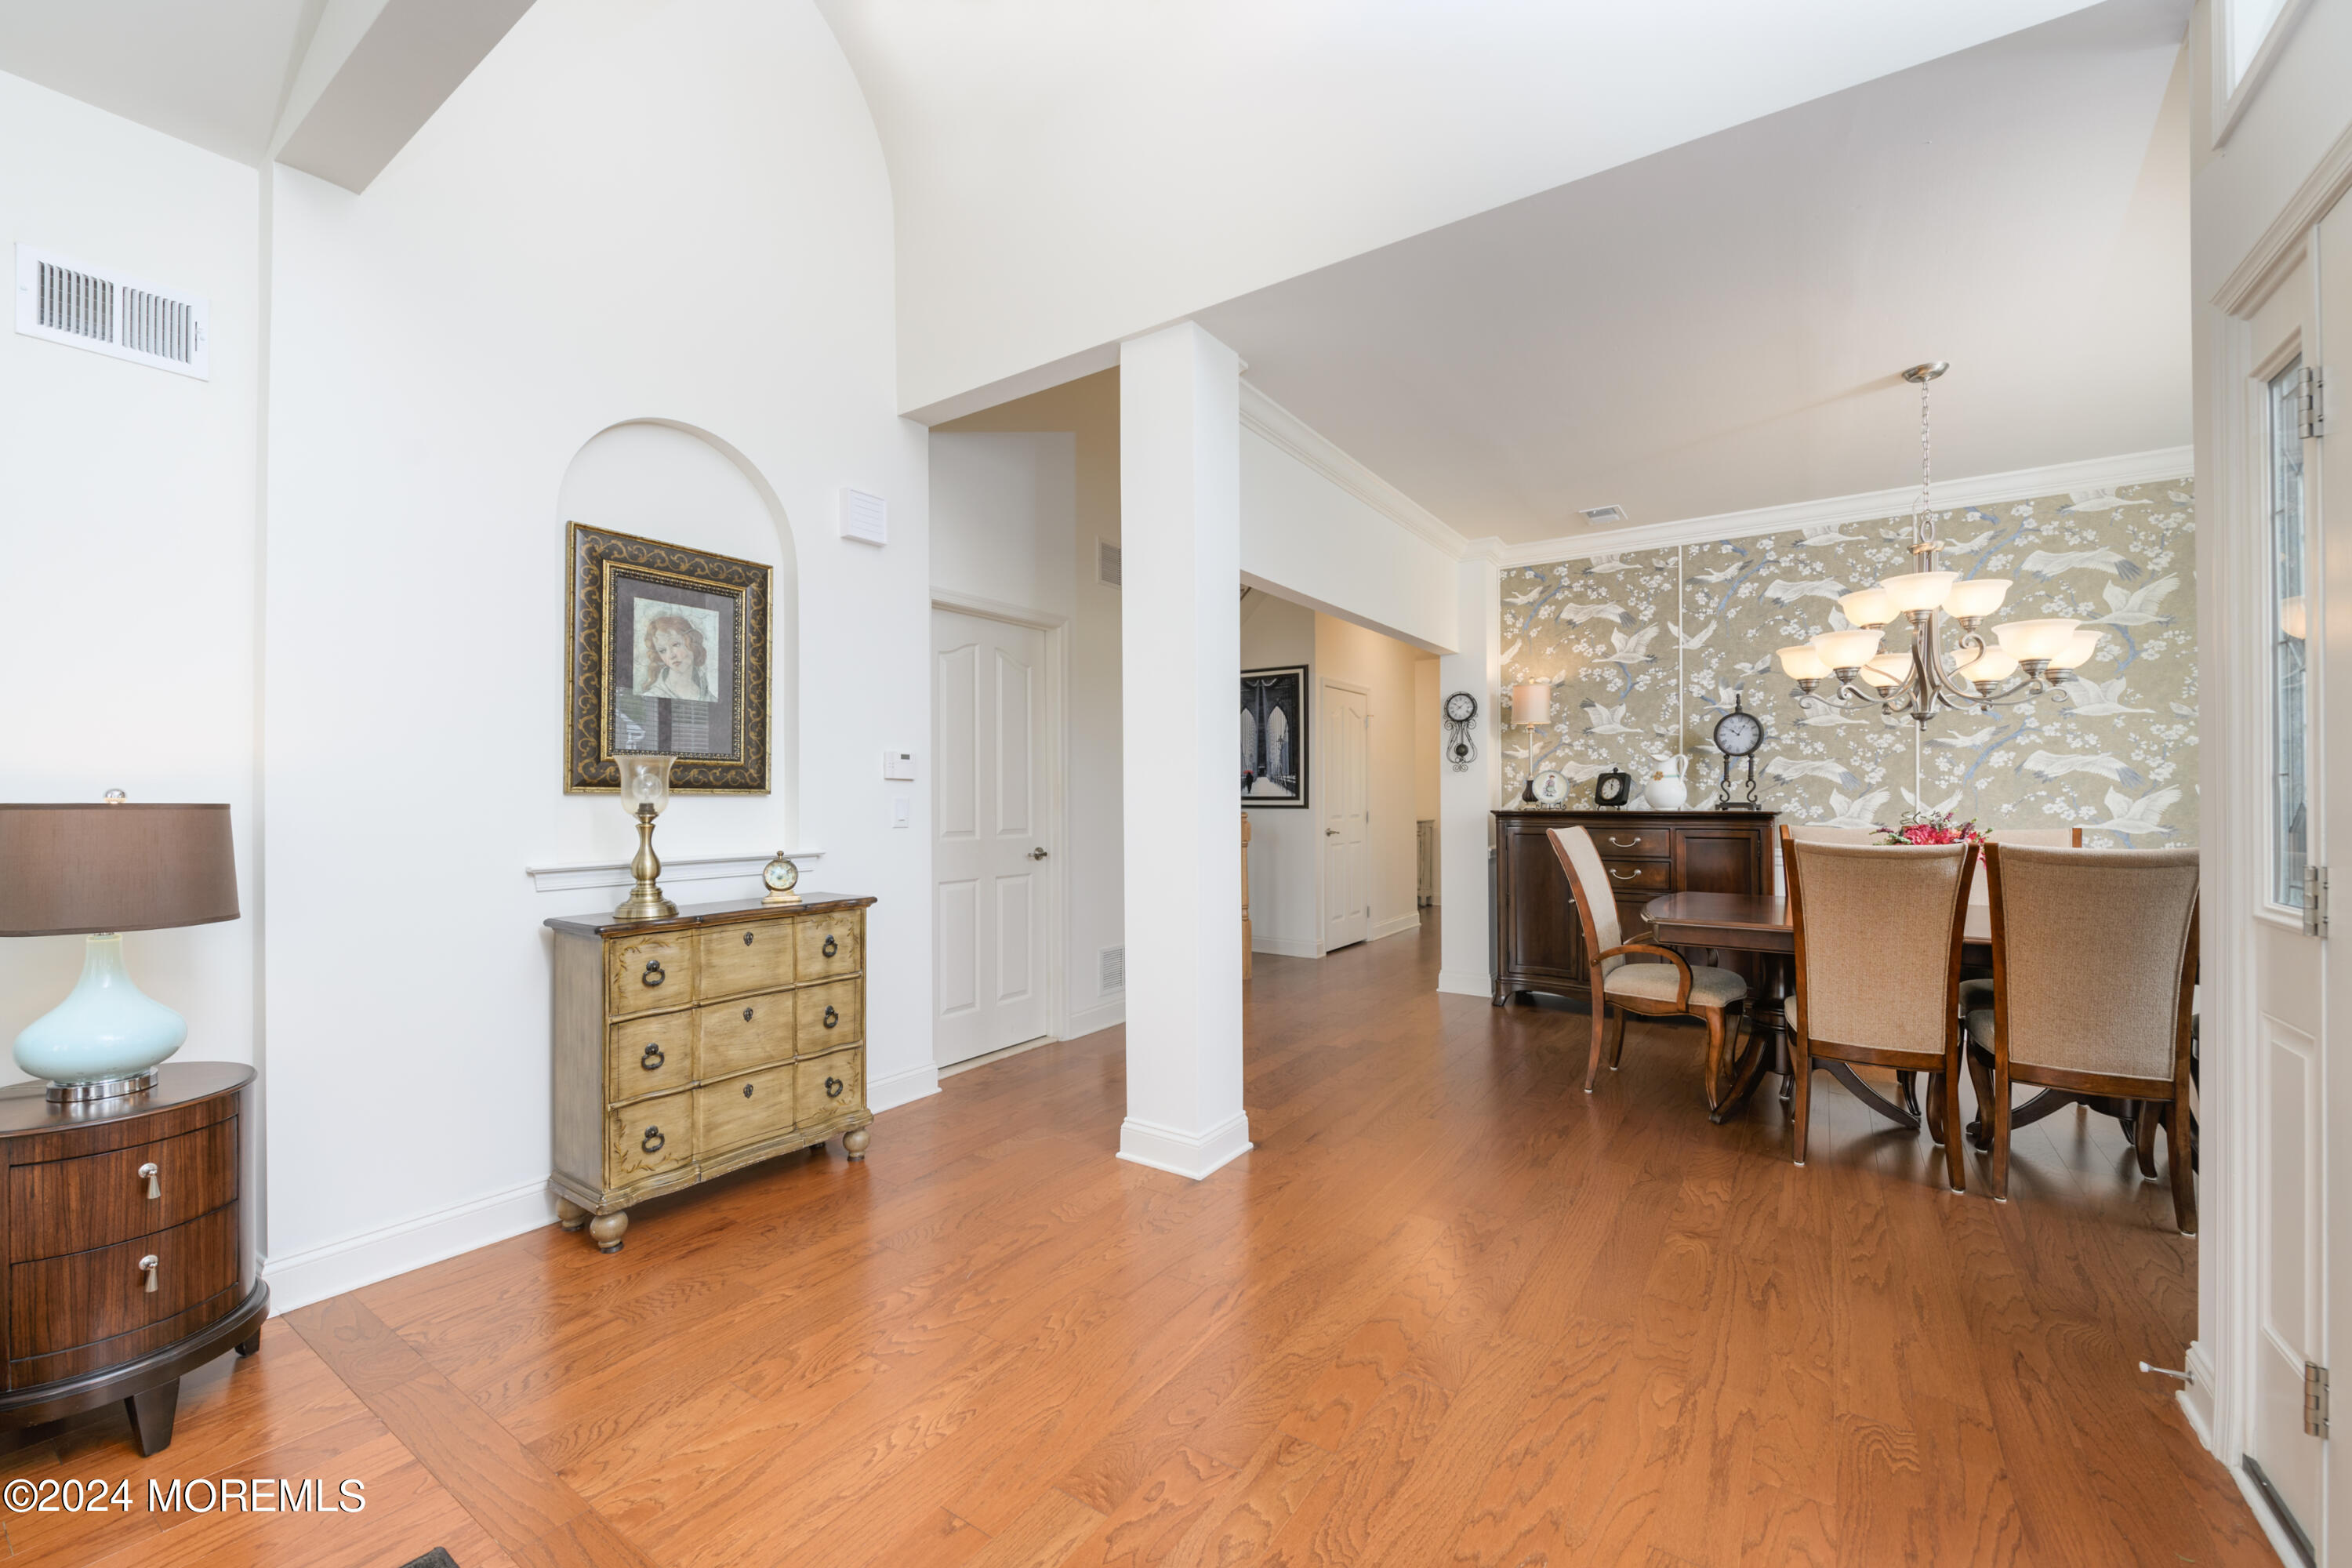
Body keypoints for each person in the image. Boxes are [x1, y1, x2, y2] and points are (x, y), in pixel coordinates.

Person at [638, 612, 715, 702]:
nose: (671, 655)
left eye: (676, 644)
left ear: (691, 642)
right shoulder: (653, 696)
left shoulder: (708, 696)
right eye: (663, 651)